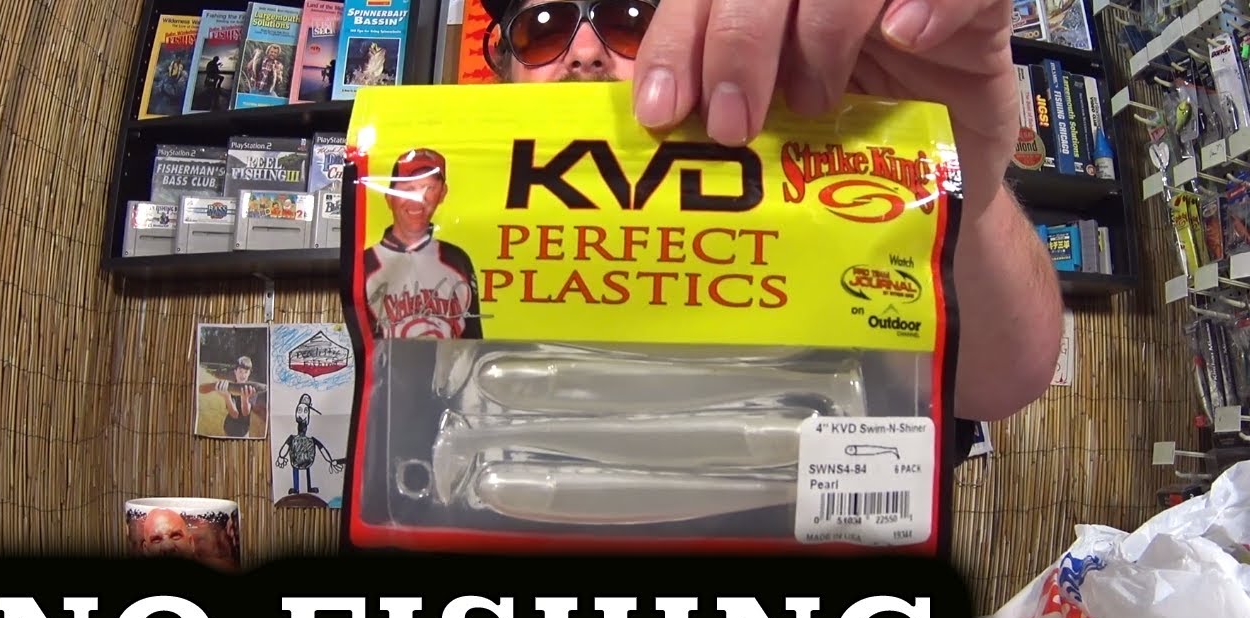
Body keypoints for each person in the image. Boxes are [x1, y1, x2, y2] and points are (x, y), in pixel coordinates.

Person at [478, 0, 1064, 463]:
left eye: (626, 23)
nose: (584, 54)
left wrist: (955, 185)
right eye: (543, 30)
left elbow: (999, 383)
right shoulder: (448, 231)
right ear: (503, 68)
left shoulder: (803, 202)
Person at [363, 148, 484, 339]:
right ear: (389, 196)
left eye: (429, 188)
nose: (418, 199)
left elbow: (473, 341)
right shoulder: (365, 264)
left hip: (447, 360)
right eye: (408, 189)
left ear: (442, 193)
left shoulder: (456, 259)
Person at [198, 355, 262, 437]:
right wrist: (227, 397)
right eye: (240, 371)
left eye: (246, 372)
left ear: (249, 373)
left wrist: (245, 398)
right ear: (235, 372)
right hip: (229, 428)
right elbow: (234, 414)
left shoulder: (251, 389)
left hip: (243, 431)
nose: (243, 375)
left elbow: (245, 412)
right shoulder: (229, 387)